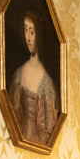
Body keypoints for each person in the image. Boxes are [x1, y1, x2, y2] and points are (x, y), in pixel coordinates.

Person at [8, 9, 59, 146]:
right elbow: (13, 111)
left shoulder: (46, 81)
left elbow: (47, 130)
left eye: (32, 32)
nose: (28, 38)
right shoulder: (19, 72)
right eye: (25, 30)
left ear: (38, 35)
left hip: (37, 142)